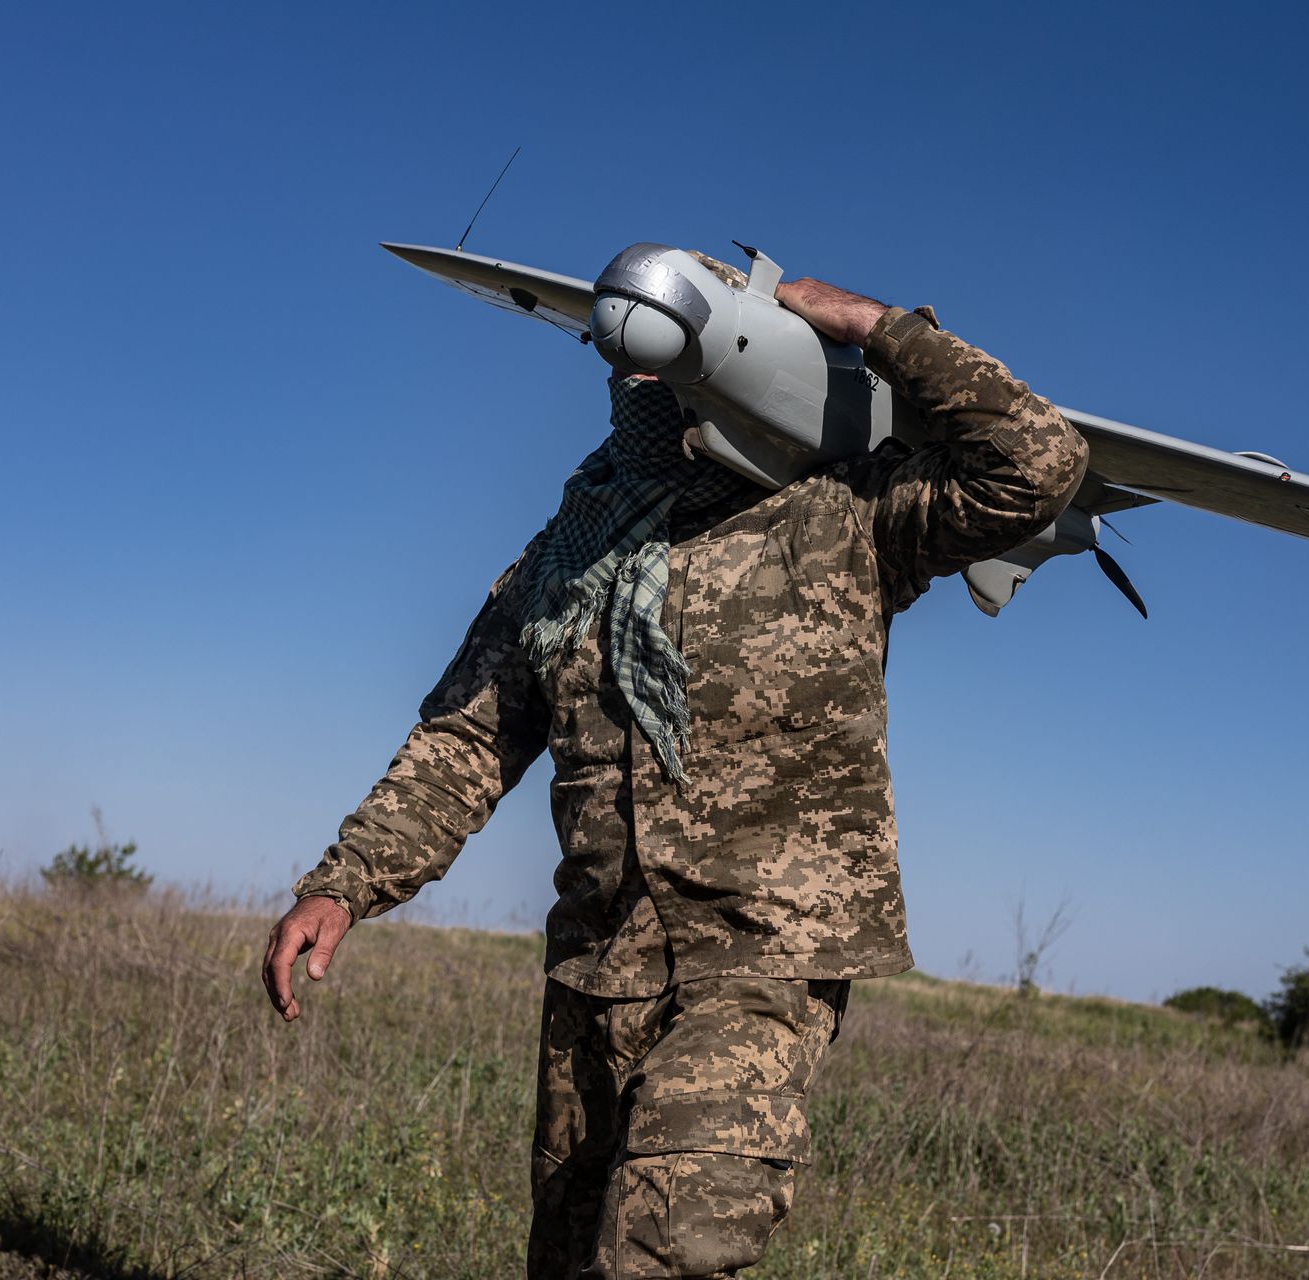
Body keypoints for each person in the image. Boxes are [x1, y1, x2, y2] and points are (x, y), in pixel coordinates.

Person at [262, 254, 1086, 1279]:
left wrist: (877, 327)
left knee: (659, 1254)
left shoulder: (842, 519)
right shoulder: (565, 553)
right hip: (597, 970)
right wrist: (344, 884)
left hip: (761, 962)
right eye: (630, 358)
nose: (644, 375)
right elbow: (466, 737)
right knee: (567, 1260)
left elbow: (1039, 461)